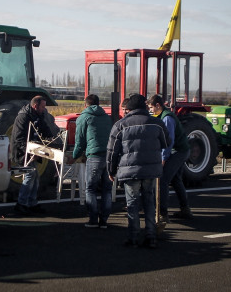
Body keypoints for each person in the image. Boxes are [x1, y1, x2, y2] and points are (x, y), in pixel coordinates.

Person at [107, 94, 170, 248]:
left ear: (131, 108)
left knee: (132, 204)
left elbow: (112, 151)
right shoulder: (157, 123)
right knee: (149, 202)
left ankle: (133, 237)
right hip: (151, 170)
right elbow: (167, 142)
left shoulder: (120, 125)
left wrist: (111, 170)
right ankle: (151, 236)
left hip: (130, 171)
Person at [147, 95, 193, 221]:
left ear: (158, 105)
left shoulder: (167, 118)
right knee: (177, 179)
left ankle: (163, 213)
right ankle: (185, 209)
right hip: (180, 150)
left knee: (163, 180)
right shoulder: (164, 115)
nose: (150, 110)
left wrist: (163, 158)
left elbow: (169, 141)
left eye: (151, 107)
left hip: (178, 151)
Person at [70, 94, 113, 228]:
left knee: (90, 188)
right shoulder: (107, 117)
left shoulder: (83, 117)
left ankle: (93, 219)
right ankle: (104, 220)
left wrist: (74, 156)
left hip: (94, 156)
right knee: (107, 189)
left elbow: (80, 141)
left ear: (85, 104)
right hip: (109, 156)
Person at [11, 95, 54, 215]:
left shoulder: (38, 115)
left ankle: (31, 203)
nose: (44, 109)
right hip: (23, 152)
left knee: (35, 177)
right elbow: (19, 139)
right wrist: (30, 152)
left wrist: (51, 138)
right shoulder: (23, 117)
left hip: (33, 151)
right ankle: (22, 203)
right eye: (43, 106)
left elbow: (44, 129)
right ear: (35, 106)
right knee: (30, 175)